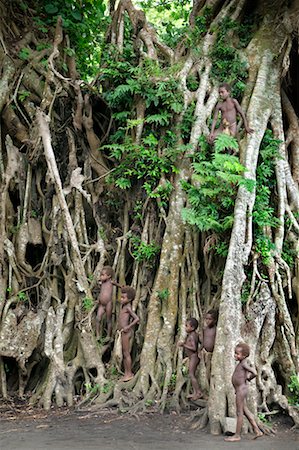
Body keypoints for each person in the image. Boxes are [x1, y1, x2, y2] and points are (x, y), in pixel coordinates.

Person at [225, 342, 263, 442]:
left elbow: (254, 373)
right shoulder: (241, 363)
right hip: (239, 389)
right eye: (235, 353)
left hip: (241, 389)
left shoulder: (244, 363)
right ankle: (257, 430)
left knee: (239, 413)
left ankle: (237, 435)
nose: (235, 355)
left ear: (244, 355)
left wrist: (249, 378)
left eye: (238, 354)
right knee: (245, 411)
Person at [118, 285, 139, 382]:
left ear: (130, 299)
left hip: (126, 333)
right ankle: (127, 372)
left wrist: (128, 327)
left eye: (123, 298)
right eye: (121, 297)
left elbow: (137, 319)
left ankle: (129, 373)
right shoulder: (124, 306)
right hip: (123, 333)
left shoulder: (128, 308)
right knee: (124, 353)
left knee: (126, 354)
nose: (121, 299)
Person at [179, 318, 203, 400]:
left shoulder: (192, 336)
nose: (185, 328)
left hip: (194, 357)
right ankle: (195, 392)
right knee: (192, 374)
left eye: (187, 326)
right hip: (192, 357)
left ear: (192, 328)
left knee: (191, 374)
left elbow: (194, 348)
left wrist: (184, 345)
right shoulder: (193, 335)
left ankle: (198, 392)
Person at [95, 266, 115, 339]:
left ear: (109, 276)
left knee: (108, 320)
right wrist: (98, 299)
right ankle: (97, 335)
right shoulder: (102, 283)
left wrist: (122, 287)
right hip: (101, 304)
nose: (101, 277)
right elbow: (101, 292)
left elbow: (120, 286)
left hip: (108, 304)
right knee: (98, 318)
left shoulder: (111, 282)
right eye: (101, 275)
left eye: (103, 275)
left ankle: (108, 336)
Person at [200, 309, 218, 383]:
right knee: (205, 372)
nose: (207, 321)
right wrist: (199, 350)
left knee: (211, 372)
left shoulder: (216, 330)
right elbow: (203, 341)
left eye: (210, 319)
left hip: (212, 355)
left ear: (215, 320)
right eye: (206, 319)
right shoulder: (205, 329)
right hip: (205, 353)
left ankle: (212, 386)